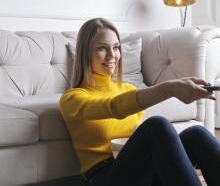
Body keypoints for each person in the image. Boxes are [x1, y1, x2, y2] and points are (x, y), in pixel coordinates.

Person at [59, 17, 220, 186]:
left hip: (142, 174)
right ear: (85, 53)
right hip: (106, 177)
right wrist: (171, 88)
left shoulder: (127, 89)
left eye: (116, 48)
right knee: (156, 125)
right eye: (101, 48)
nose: (112, 55)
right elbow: (113, 107)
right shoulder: (72, 99)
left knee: (197, 134)